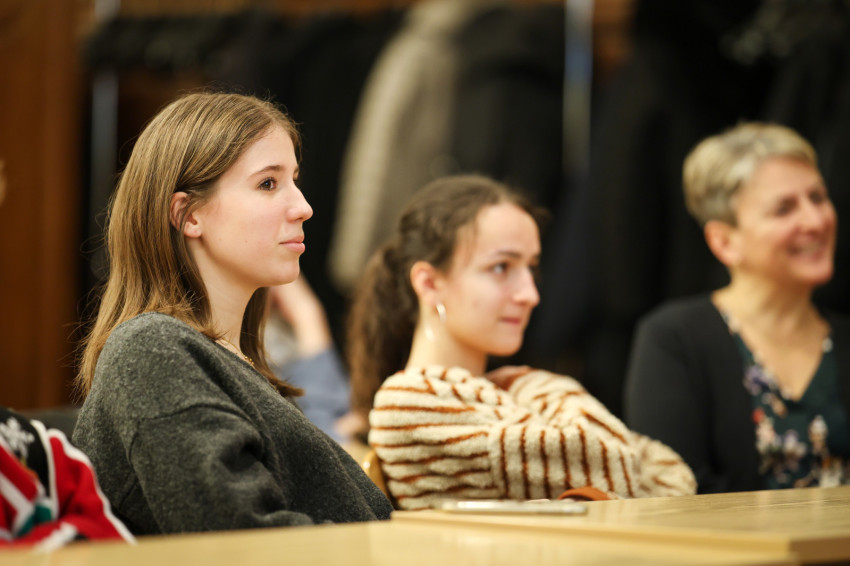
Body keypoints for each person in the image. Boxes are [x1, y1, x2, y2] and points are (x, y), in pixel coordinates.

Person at [72, 92, 392, 535]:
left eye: (294, 180)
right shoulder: (150, 351)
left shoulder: (231, 363)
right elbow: (242, 539)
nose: (303, 207)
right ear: (188, 215)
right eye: (268, 184)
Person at [348, 174, 696, 510]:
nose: (530, 294)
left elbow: (676, 476)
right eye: (501, 267)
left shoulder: (512, 390)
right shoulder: (407, 404)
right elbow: (614, 462)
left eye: (531, 267)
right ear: (429, 283)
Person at [624, 122, 850, 494]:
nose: (815, 221)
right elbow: (674, 493)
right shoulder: (674, 339)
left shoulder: (844, 338)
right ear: (724, 242)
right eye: (784, 209)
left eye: (818, 197)